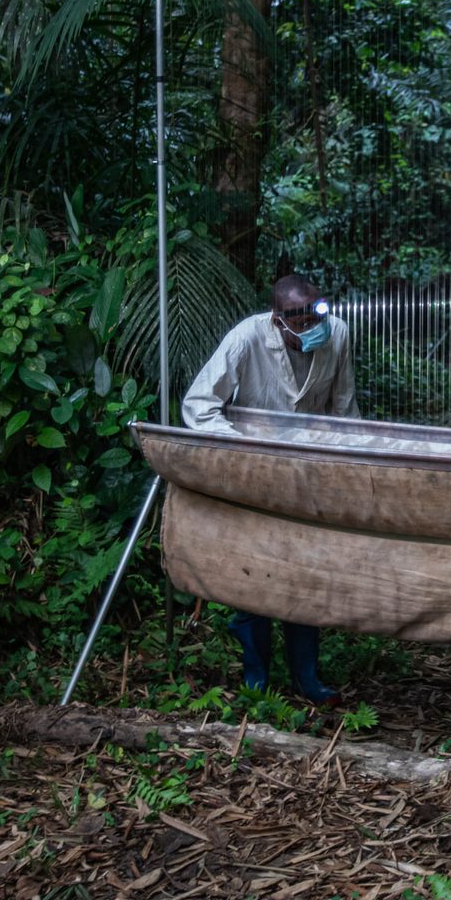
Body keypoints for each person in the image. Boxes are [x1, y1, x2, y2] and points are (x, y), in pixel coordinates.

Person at [180, 273, 358, 703]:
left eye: (317, 313)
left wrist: (350, 466)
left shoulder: (338, 333)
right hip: (254, 479)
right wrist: (245, 452)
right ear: (278, 320)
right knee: (254, 579)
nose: (312, 326)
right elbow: (198, 405)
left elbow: (345, 408)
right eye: (299, 320)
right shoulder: (246, 338)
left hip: (310, 478)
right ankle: (256, 680)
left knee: (304, 577)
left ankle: (307, 678)